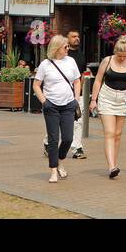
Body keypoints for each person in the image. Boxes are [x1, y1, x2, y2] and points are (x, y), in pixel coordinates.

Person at [88, 35, 126, 180]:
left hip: (123, 99)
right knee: (109, 132)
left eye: (125, 56)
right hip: (107, 97)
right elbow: (98, 80)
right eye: (119, 56)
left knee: (117, 135)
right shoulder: (107, 61)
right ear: (115, 52)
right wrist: (94, 99)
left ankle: (114, 163)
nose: (122, 59)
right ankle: (111, 166)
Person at [34, 35, 82, 184]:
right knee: (53, 139)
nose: (68, 49)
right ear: (56, 48)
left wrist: (76, 99)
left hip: (68, 105)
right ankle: (53, 170)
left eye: (68, 46)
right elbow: (36, 85)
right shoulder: (45, 65)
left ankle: (60, 160)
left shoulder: (71, 62)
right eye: (65, 47)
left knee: (68, 138)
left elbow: (77, 81)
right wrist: (44, 102)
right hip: (51, 106)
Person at [41, 31, 88, 160]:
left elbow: (81, 76)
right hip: (55, 99)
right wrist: (45, 101)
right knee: (55, 125)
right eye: (73, 37)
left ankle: (77, 147)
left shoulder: (79, 57)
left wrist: (77, 95)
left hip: (74, 96)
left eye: (78, 36)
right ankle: (48, 142)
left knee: (77, 121)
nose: (77, 39)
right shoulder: (51, 60)